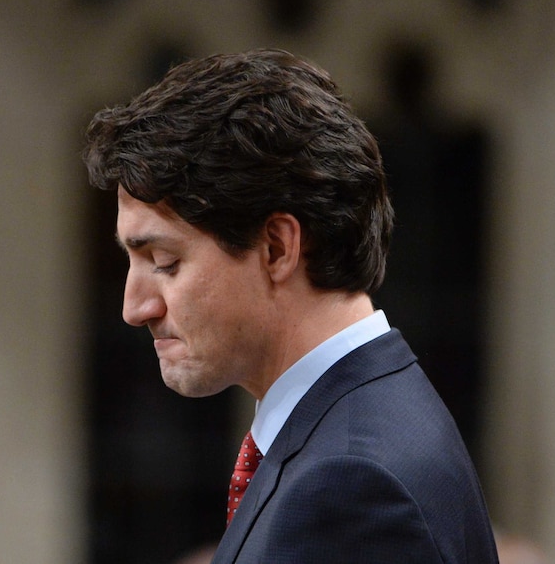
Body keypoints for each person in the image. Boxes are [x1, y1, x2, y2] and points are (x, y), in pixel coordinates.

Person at [83, 48, 499, 563]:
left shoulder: (350, 484)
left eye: (165, 260)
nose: (134, 307)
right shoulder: (358, 430)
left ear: (278, 248)